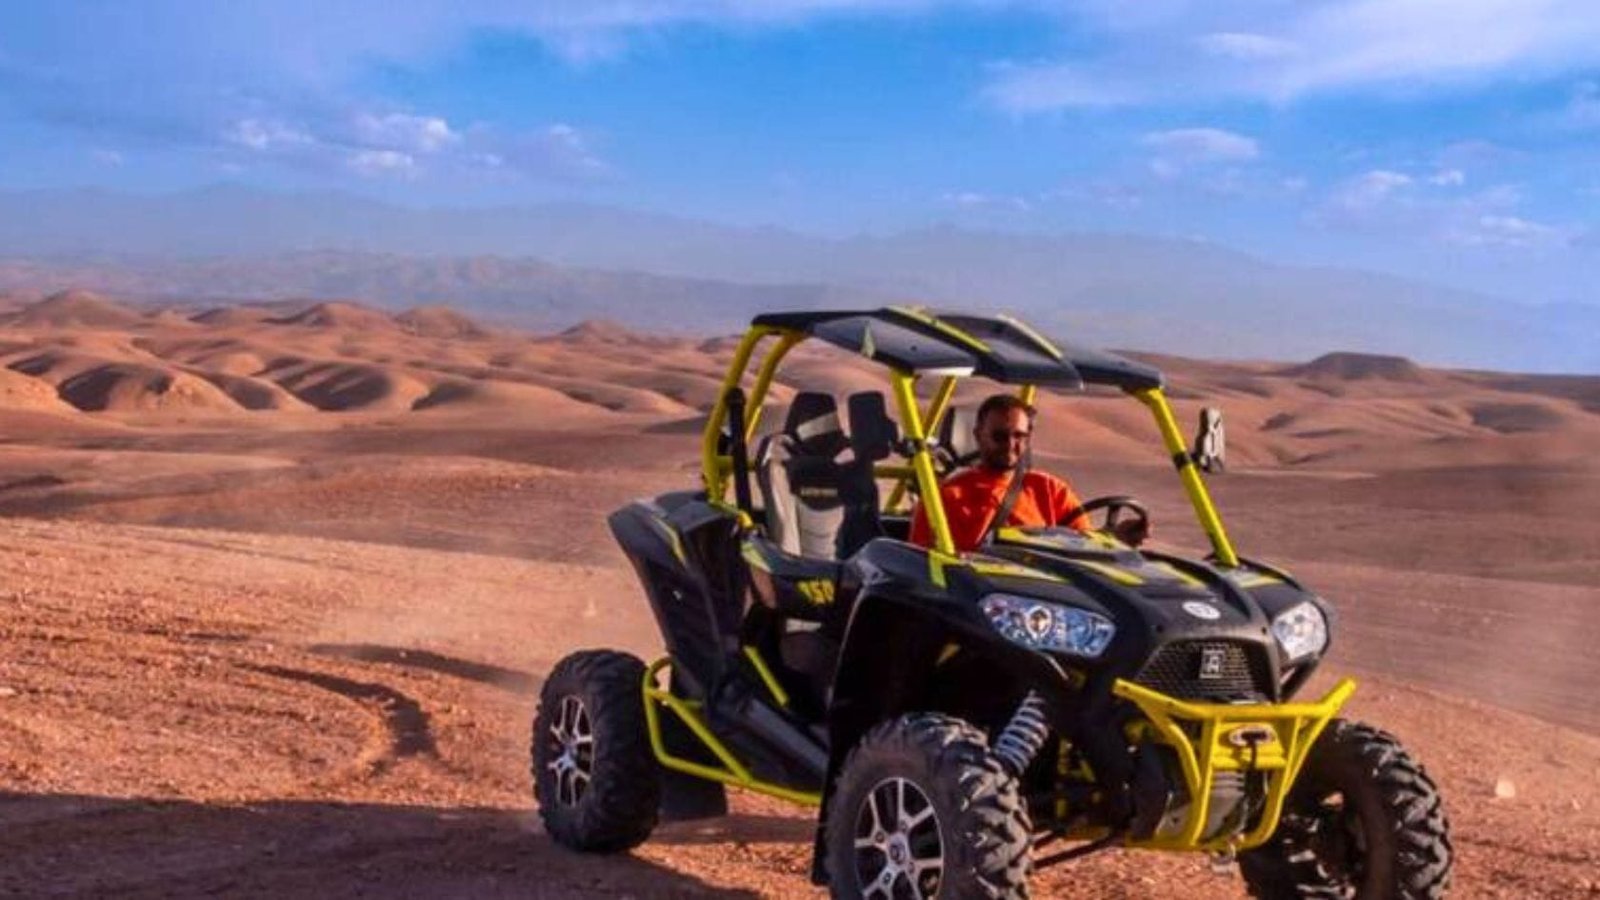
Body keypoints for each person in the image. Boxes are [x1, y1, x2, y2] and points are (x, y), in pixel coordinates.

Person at [908, 393, 1149, 553]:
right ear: (978, 435)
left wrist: (1114, 540)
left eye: (1019, 437)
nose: (1011, 444)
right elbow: (922, 566)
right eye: (1000, 436)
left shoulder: (1050, 490)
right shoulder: (947, 497)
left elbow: (1084, 547)